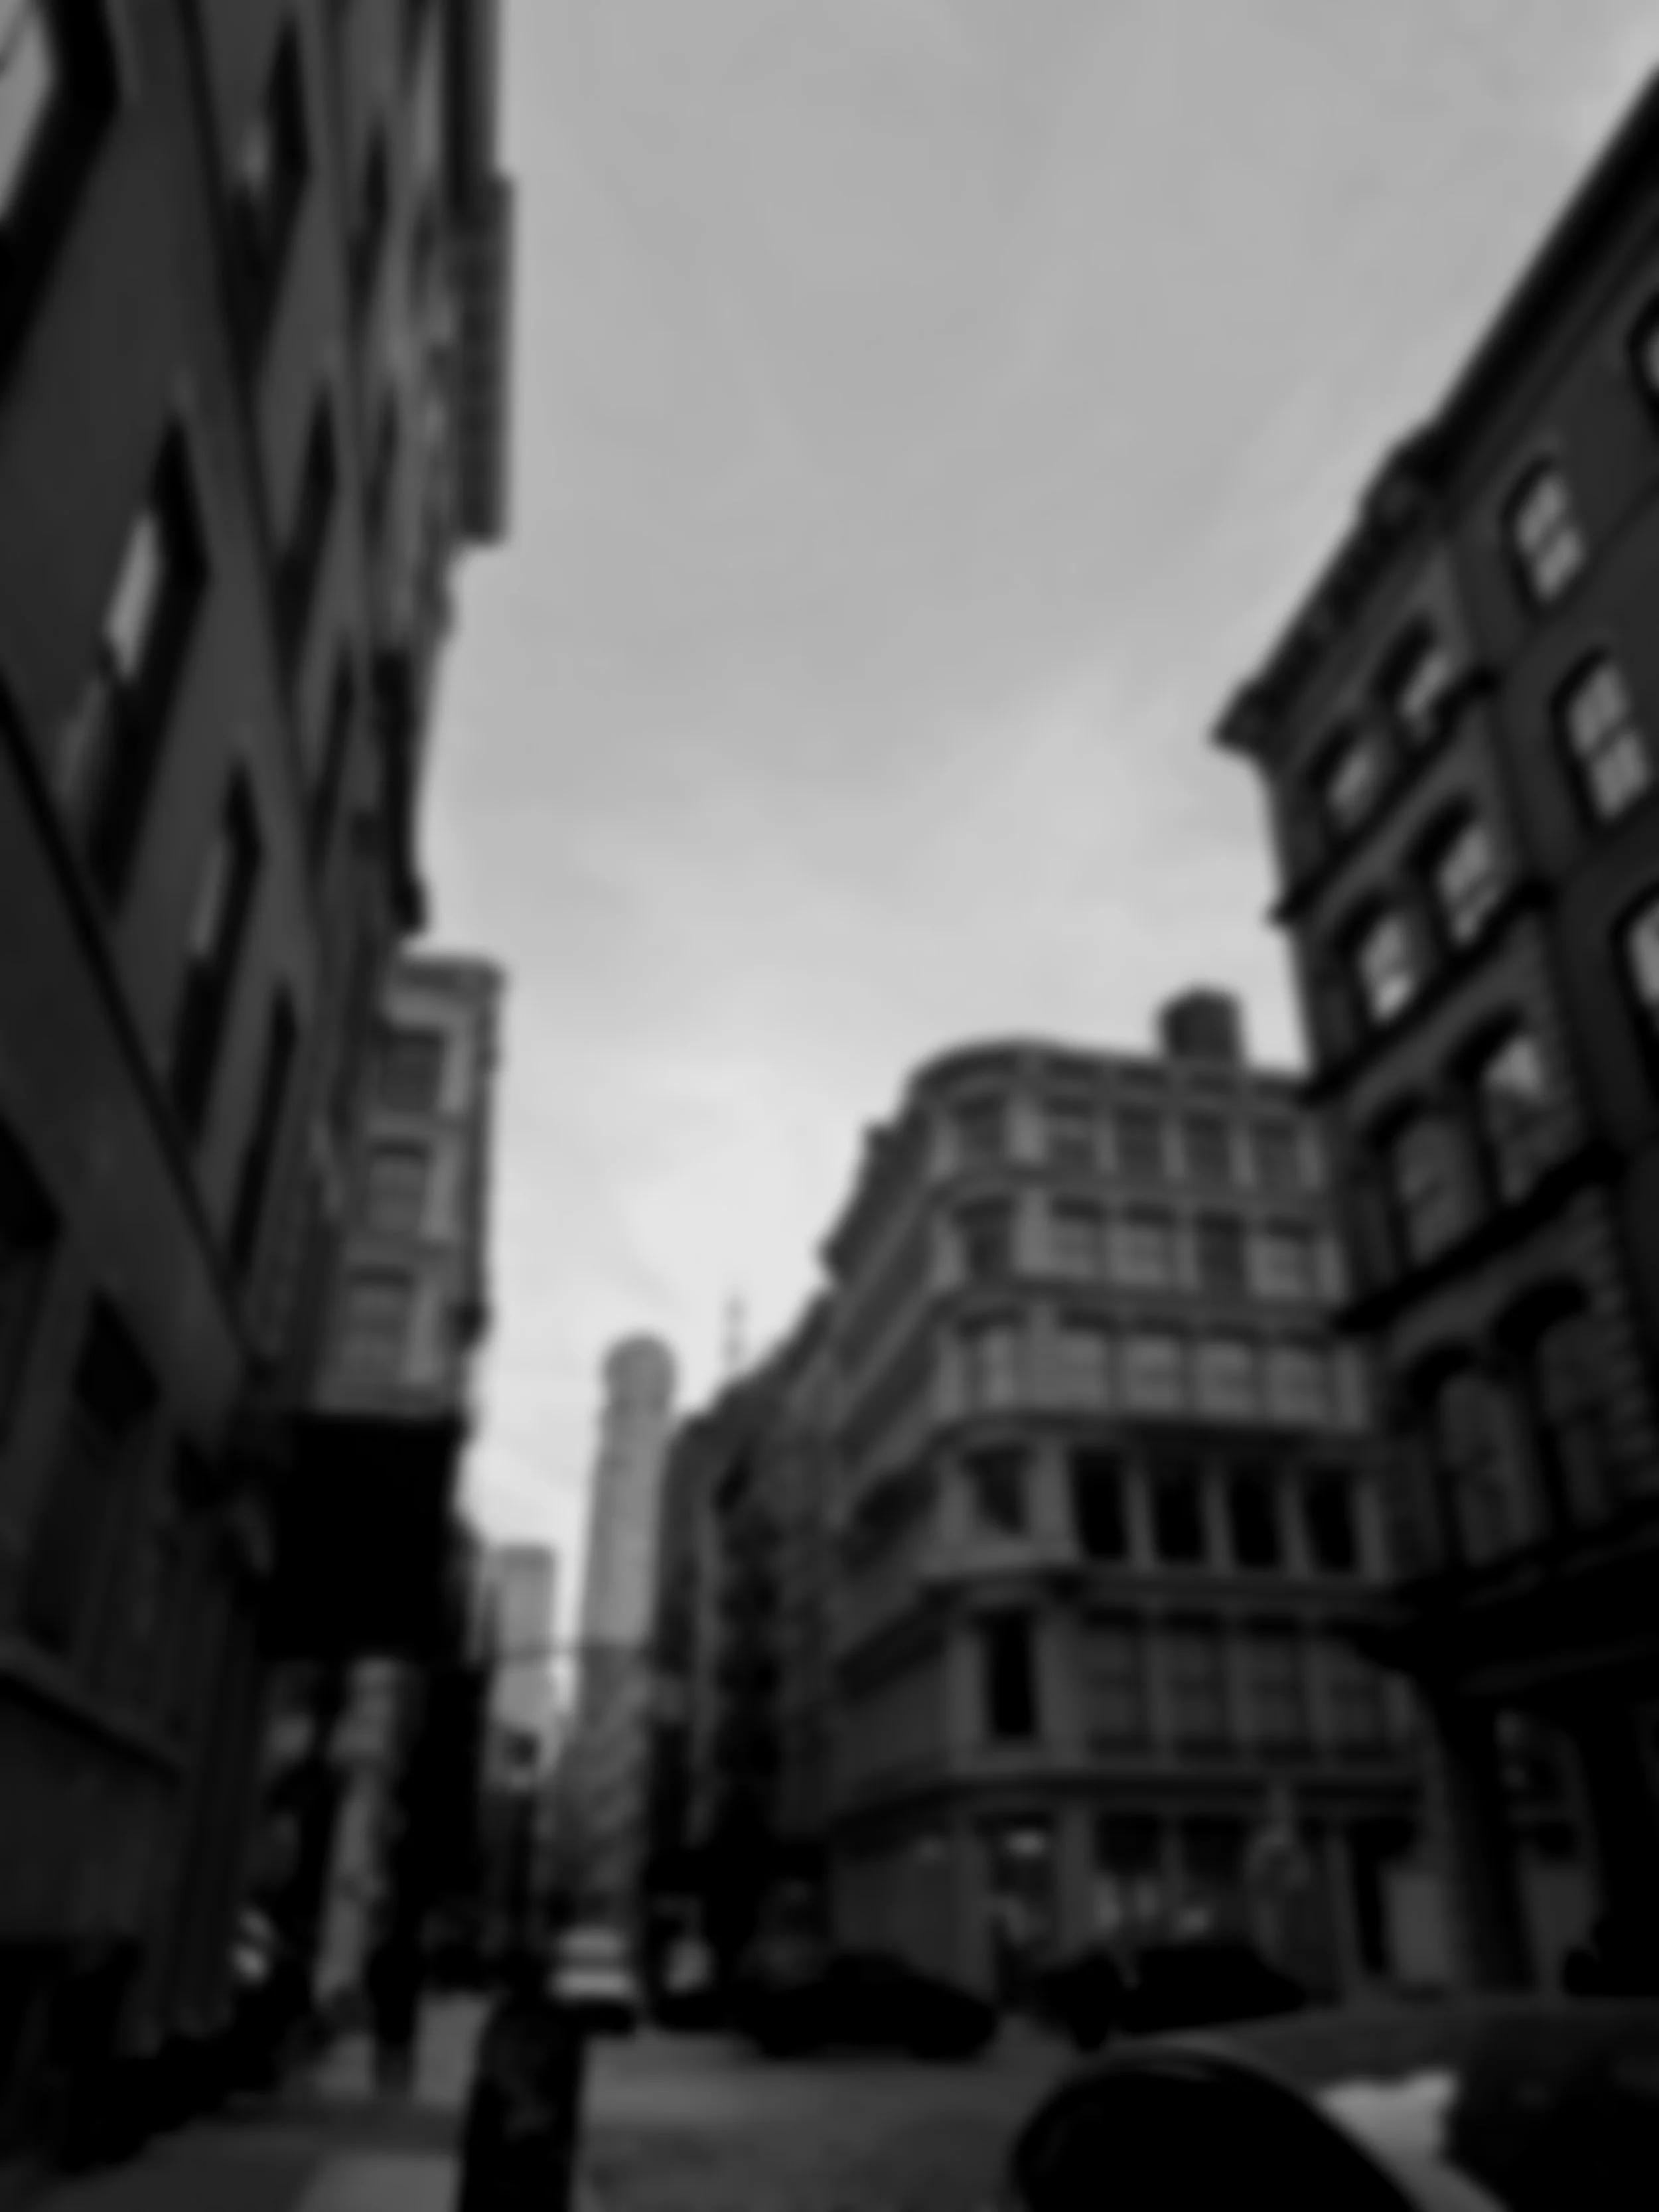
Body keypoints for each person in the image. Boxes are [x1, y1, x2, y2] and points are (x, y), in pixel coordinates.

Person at [364, 1924, 423, 2098]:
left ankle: (384, 2086)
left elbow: (370, 1980)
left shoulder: (381, 1954)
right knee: (401, 2049)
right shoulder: (412, 1954)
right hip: (402, 2007)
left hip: (388, 2007)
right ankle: (401, 2088)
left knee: (387, 2048)